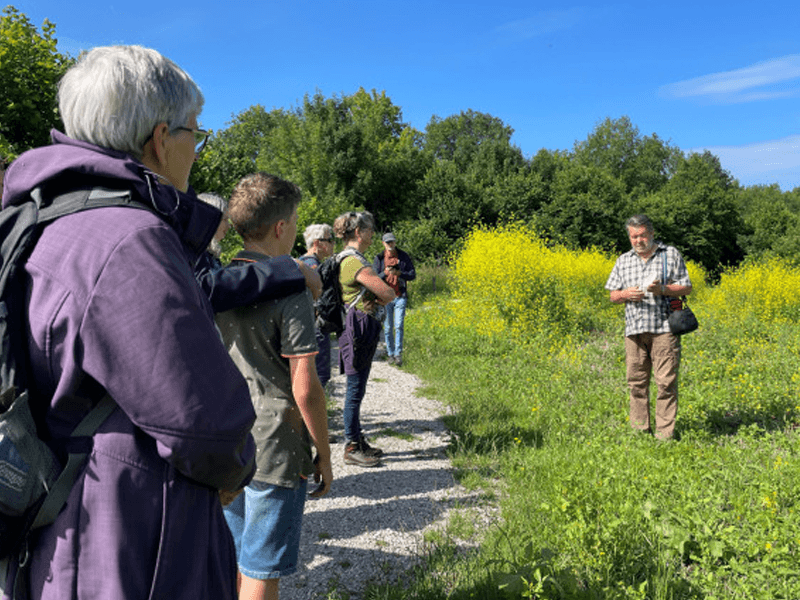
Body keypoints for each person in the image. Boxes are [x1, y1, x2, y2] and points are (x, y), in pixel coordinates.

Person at [1, 45, 257, 599]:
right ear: (161, 139)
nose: (196, 148)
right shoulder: (128, 238)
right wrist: (237, 466)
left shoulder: (40, 218)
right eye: (196, 132)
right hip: (128, 534)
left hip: (51, 513)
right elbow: (205, 421)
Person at [215, 173, 332, 600]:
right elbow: (306, 388)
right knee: (262, 569)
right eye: (296, 219)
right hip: (275, 445)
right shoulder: (290, 290)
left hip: (225, 441)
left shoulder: (214, 283)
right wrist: (323, 449)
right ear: (282, 227)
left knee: (233, 559)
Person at [605, 214, 692, 441]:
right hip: (634, 330)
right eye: (634, 236)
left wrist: (661, 289)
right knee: (636, 382)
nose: (638, 240)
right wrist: (625, 294)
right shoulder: (623, 260)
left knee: (666, 382)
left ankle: (665, 435)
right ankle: (640, 431)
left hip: (664, 328)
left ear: (651, 234)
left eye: (643, 235)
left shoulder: (669, 254)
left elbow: (686, 287)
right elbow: (612, 295)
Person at [333, 211, 395, 467]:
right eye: (369, 231)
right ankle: (351, 446)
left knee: (357, 387)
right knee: (355, 389)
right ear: (358, 232)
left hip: (357, 327)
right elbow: (387, 293)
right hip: (358, 329)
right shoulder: (353, 262)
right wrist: (384, 290)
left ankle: (357, 438)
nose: (373, 236)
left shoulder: (347, 259)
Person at [195, 192, 322, 313]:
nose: (229, 226)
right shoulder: (195, 255)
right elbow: (213, 290)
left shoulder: (205, 257)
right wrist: (290, 267)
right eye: (224, 219)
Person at [299, 224, 335, 387]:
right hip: (316, 327)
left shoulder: (301, 261)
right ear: (317, 243)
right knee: (320, 376)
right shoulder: (312, 267)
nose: (333, 244)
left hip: (305, 326)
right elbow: (319, 299)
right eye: (330, 240)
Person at [373, 232, 416, 366]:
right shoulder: (379, 258)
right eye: (388, 242)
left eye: (392, 242)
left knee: (398, 326)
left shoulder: (403, 256)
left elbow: (412, 274)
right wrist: (385, 273)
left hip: (400, 296)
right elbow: (374, 279)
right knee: (387, 327)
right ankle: (390, 353)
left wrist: (399, 273)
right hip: (385, 297)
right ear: (383, 244)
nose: (390, 245)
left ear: (395, 242)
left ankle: (398, 354)